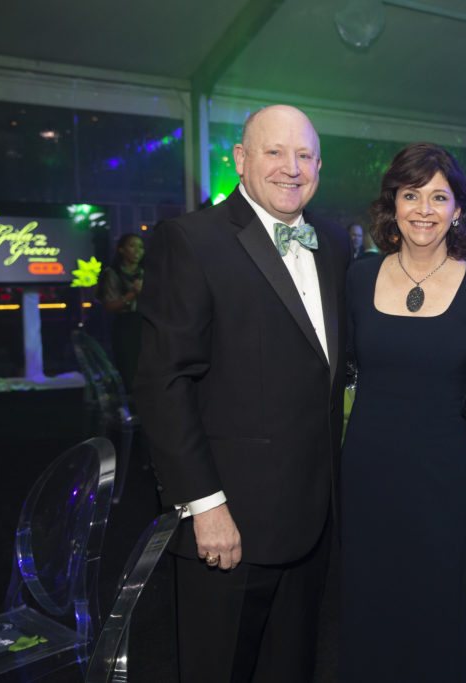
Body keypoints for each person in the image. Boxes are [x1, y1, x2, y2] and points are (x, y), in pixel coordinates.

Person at [135, 104, 350, 683]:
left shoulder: (331, 242)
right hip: (230, 524)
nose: (291, 167)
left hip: (312, 518)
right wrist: (205, 507)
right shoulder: (191, 239)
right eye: (275, 152)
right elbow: (164, 383)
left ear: (319, 166)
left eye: (304, 155)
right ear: (240, 160)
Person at [339, 142, 466, 682]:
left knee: (438, 629)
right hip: (366, 484)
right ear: (394, 203)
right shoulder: (359, 278)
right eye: (412, 195)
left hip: (445, 490)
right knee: (368, 622)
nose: (425, 209)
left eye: (440, 196)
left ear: (459, 207)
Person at [95, 232, 144, 391]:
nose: (137, 250)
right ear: (121, 250)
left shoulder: (148, 272)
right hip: (126, 326)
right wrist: (132, 294)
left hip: (148, 326)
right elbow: (109, 307)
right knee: (129, 371)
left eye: (141, 247)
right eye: (132, 246)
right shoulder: (112, 273)